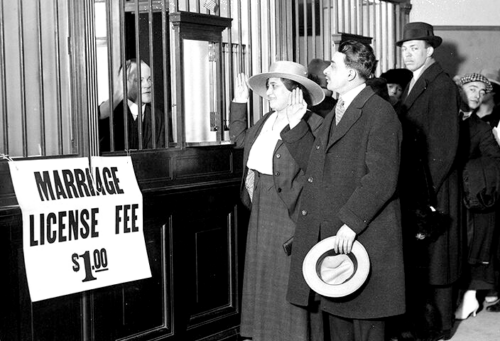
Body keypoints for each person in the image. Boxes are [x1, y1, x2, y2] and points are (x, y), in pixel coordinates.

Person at [281, 40, 405, 341]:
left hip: (362, 235)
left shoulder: (380, 113)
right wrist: (297, 126)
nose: (326, 70)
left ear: (351, 74)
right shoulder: (339, 110)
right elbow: (318, 167)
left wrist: (351, 222)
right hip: (337, 236)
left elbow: (382, 178)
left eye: (334, 65)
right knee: (340, 325)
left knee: (366, 326)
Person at [229, 61, 324, 341]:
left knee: (285, 279)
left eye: (274, 86)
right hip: (261, 205)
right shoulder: (267, 120)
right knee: (263, 277)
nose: (267, 93)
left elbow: (315, 169)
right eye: (268, 86)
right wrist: (239, 102)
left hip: (289, 210)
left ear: (296, 92)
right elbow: (240, 141)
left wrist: (297, 125)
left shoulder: (314, 123)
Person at [395, 22, 462, 340]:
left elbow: (444, 148)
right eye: (405, 49)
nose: (408, 54)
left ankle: (441, 326)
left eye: (414, 49)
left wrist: (426, 193)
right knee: (427, 260)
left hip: (433, 187)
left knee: (438, 261)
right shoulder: (416, 81)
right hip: (422, 186)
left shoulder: (441, 85)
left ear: (430, 50)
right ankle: (427, 324)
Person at [454, 73, 500, 320]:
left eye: (482, 92)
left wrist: (470, 174)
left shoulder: (480, 128)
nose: (477, 95)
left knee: (473, 243)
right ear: (459, 89)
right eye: (472, 88)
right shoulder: (445, 119)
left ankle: (470, 297)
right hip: (447, 196)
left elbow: (494, 159)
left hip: (469, 197)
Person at [98, 59, 165, 152]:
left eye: (149, 79)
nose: (148, 84)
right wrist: (119, 93)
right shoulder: (111, 112)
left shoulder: (158, 116)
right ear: (125, 83)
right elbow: (96, 118)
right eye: (139, 80)